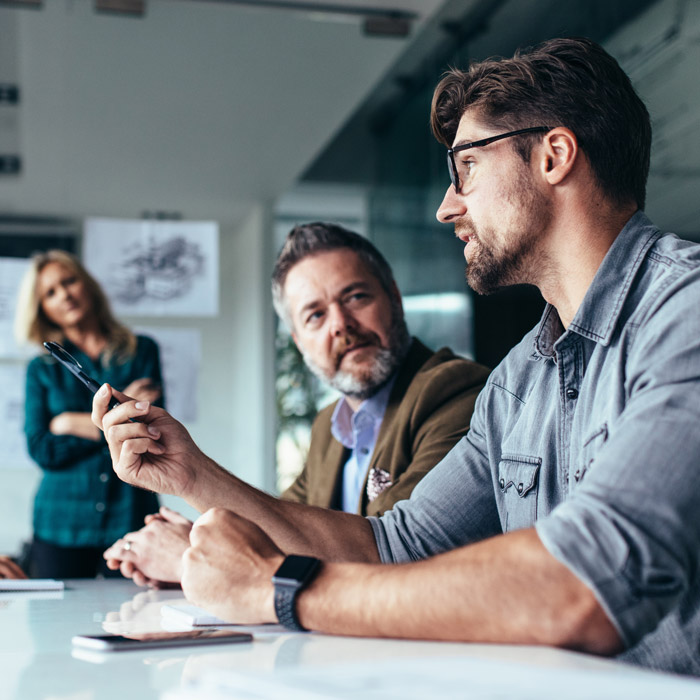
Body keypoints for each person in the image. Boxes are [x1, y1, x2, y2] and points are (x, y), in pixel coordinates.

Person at [92, 37, 700, 675]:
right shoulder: (520, 379)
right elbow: (396, 546)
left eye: (465, 168)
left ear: (553, 155)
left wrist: (278, 588)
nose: (447, 207)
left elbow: (585, 586)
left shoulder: (682, 313)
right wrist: (191, 475)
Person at [103, 223, 489, 587]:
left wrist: (192, 555)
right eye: (315, 315)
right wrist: (200, 533)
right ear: (299, 340)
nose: (340, 324)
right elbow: (282, 528)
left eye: (355, 297)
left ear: (394, 297)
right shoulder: (329, 426)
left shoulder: (455, 392)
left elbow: (390, 556)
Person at [15, 249, 164, 578]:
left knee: (136, 618)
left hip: (130, 515)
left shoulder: (142, 351)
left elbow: (150, 431)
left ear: (87, 286)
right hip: (61, 523)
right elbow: (42, 448)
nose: (64, 294)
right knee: (56, 626)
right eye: (50, 293)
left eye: (69, 282)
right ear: (42, 309)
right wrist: (115, 423)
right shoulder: (41, 370)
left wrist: (68, 423)